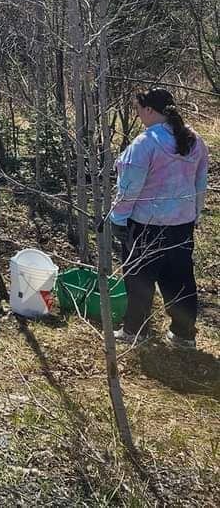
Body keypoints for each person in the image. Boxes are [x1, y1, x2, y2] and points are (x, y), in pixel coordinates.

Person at [108, 88, 209, 350]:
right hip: (182, 225)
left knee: (139, 279)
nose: (139, 115)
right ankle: (184, 335)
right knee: (180, 280)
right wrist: (194, 215)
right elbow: (200, 183)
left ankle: (134, 332)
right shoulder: (194, 139)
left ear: (150, 110)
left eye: (139, 109)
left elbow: (130, 187)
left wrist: (118, 218)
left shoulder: (146, 143)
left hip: (146, 226)